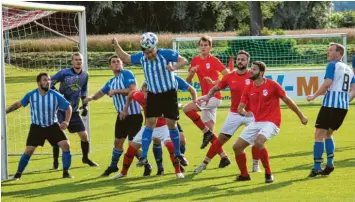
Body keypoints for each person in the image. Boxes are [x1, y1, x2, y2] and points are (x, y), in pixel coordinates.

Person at [111, 32, 188, 167]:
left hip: (169, 93)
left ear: (155, 47)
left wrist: (174, 67)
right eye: (146, 52)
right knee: (149, 123)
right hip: (153, 94)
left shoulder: (166, 54)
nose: (149, 54)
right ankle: (144, 157)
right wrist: (116, 46)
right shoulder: (141, 57)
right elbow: (126, 58)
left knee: (172, 124)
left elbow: (184, 60)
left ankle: (178, 153)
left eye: (151, 51)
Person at [234, 61, 307, 183]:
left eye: (254, 69)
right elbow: (240, 107)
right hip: (256, 122)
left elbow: (288, 101)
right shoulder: (249, 86)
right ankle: (244, 175)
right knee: (237, 147)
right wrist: (243, 111)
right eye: (251, 69)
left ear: (261, 73)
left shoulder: (273, 85)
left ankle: (268, 173)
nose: (251, 71)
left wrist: (301, 116)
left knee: (258, 141)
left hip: (272, 121)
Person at [112, 75, 197, 179]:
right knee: (131, 149)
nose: (147, 93)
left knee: (171, 146)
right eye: (145, 91)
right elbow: (131, 94)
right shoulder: (139, 95)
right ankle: (123, 172)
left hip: (163, 127)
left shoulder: (159, 97)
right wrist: (125, 109)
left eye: (149, 91)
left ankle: (178, 172)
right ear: (142, 90)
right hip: (147, 127)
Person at [194, 50, 263, 174]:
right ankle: (204, 164)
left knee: (257, 140)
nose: (240, 61)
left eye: (243, 59)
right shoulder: (230, 76)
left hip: (251, 114)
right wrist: (207, 96)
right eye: (238, 59)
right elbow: (216, 87)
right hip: (234, 113)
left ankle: (256, 164)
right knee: (220, 140)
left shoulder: (253, 75)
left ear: (247, 61)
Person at [84, 56, 151, 177]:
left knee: (132, 144)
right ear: (110, 66)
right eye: (113, 62)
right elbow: (101, 92)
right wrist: (90, 98)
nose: (116, 64)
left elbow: (132, 90)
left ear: (122, 64)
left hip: (134, 115)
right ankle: (113, 166)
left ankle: (147, 164)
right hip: (121, 116)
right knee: (117, 143)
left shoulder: (127, 74)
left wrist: (115, 91)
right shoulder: (111, 81)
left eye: (118, 62)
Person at [6, 73, 74, 179]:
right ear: (39, 83)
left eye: (49, 80)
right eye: (45, 80)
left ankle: (66, 172)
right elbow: (18, 104)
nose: (48, 82)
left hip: (52, 126)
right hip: (37, 127)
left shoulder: (55, 95)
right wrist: (4, 112)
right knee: (29, 150)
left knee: (66, 145)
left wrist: (66, 121)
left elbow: (68, 107)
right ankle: (18, 174)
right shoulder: (31, 94)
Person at [307, 43, 355, 177]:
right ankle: (329, 163)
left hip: (330, 106)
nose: (328, 52)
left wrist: (313, 96)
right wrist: (345, 100)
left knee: (318, 135)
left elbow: (327, 83)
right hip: (342, 108)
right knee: (328, 134)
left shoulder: (332, 65)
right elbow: (354, 90)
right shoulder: (349, 69)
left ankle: (317, 167)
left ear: (338, 53)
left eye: (331, 50)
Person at [51, 52, 97, 169]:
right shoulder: (64, 73)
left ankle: (85, 158)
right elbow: (50, 82)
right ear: (72, 61)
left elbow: (83, 91)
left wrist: (85, 106)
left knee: (84, 135)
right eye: (76, 60)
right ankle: (55, 160)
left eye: (80, 60)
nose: (78, 62)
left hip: (74, 111)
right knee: (58, 136)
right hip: (60, 110)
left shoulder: (85, 75)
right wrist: (57, 92)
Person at [183, 35, 229, 150]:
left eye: (206, 45)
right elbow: (187, 82)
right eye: (201, 45)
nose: (203, 47)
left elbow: (228, 77)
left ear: (210, 47)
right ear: (199, 47)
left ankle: (206, 133)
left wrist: (214, 82)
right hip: (205, 98)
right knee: (211, 132)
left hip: (214, 97)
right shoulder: (195, 60)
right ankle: (223, 157)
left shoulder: (214, 60)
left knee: (187, 109)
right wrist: (191, 74)